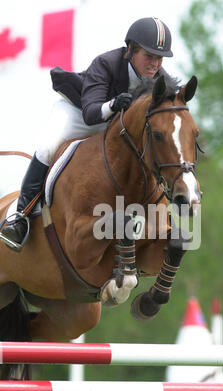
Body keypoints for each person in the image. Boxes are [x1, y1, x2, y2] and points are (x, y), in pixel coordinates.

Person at [0, 17, 173, 251]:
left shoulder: (160, 77)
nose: (154, 64)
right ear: (131, 50)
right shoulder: (106, 63)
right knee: (47, 147)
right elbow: (91, 114)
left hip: (112, 124)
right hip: (78, 113)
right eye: (149, 56)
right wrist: (113, 105)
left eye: (159, 58)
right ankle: (20, 217)